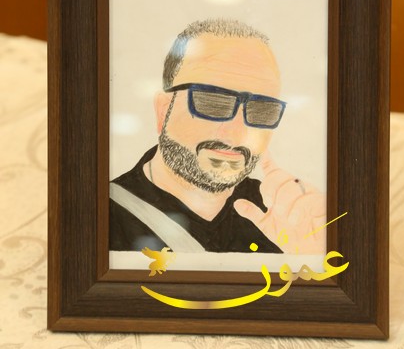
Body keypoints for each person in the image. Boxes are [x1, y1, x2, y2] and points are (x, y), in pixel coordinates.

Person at [109, 19, 325, 254]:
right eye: (212, 104)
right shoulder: (103, 218)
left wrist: (313, 257)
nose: (235, 134)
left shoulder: (282, 217)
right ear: (163, 110)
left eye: (261, 111)